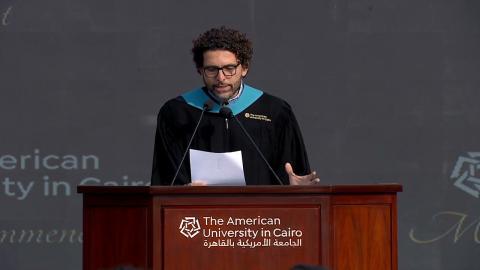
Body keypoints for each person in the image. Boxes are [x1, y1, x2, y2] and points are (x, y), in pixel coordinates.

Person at [151, 26, 319, 186]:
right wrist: (182, 192)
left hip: (259, 214)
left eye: (229, 68)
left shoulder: (275, 112)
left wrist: (296, 189)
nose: (221, 78)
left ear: (244, 68)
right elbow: (165, 179)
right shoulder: (177, 112)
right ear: (199, 70)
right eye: (211, 69)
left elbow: (294, 174)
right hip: (199, 214)